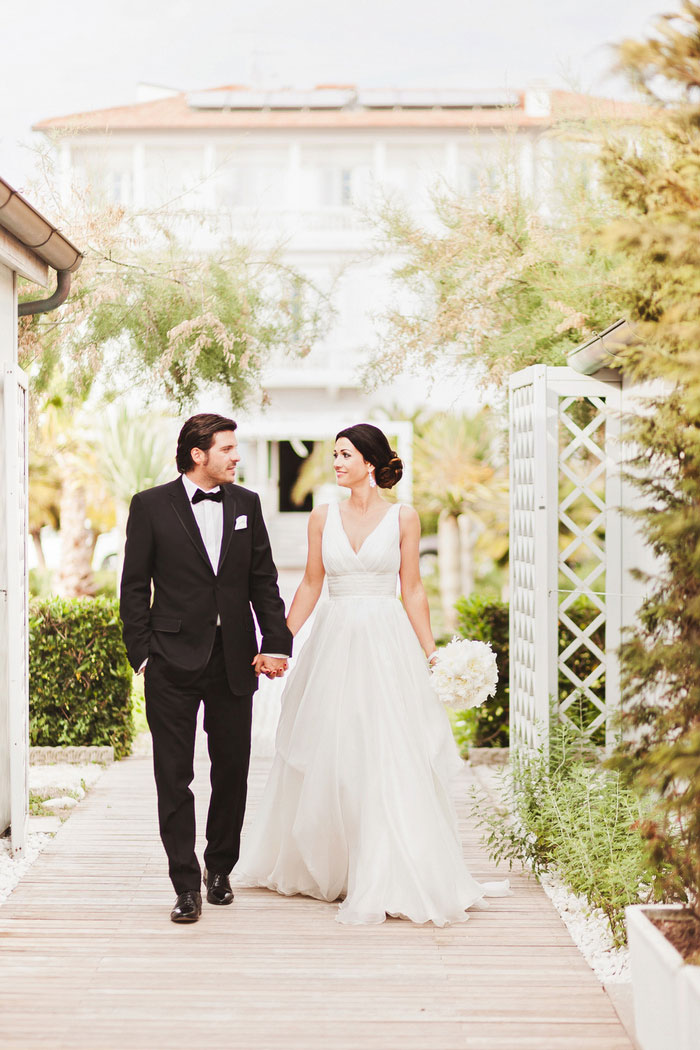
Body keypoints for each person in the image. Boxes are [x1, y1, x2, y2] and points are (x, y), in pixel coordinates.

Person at [235, 423, 510, 925]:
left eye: (344, 454)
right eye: (335, 455)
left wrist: (431, 652)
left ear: (370, 461)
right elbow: (312, 585)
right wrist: (278, 644)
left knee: (387, 750)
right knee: (333, 748)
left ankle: (388, 865)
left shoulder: (405, 517)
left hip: (387, 643)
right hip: (334, 640)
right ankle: (334, 864)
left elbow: (414, 589)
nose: (336, 462)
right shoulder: (322, 517)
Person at [120, 413, 292, 924]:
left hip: (233, 658)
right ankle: (185, 884)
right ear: (199, 454)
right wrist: (144, 653)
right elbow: (133, 586)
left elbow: (264, 580)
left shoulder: (246, 504)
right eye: (228, 449)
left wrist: (276, 641)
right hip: (170, 659)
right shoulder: (150, 505)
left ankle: (220, 869)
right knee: (173, 775)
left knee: (232, 769)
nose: (236, 457)